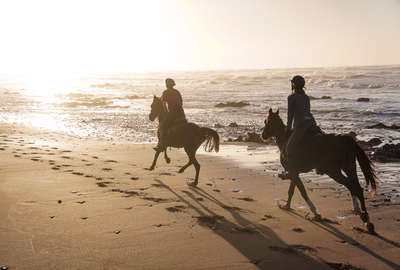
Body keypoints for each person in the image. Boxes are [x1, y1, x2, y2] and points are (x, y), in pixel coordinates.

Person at [285, 75, 317, 167]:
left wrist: (288, 128)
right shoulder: (306, 97)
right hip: (312, 123)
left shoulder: (291, 97)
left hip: (301, 125)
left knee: (288, 149)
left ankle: (291, 171)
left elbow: (290, 115)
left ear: (293, 84)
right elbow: (307, 112)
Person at [153, 78, 186, 151]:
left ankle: (161, 145)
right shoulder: (177, 91)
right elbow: (181, 102)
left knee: (163, 126)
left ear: (167, 85)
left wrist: (168, 113)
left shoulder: (166, 92)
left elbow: (163, 103)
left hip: (173, 112)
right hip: (181, 112)